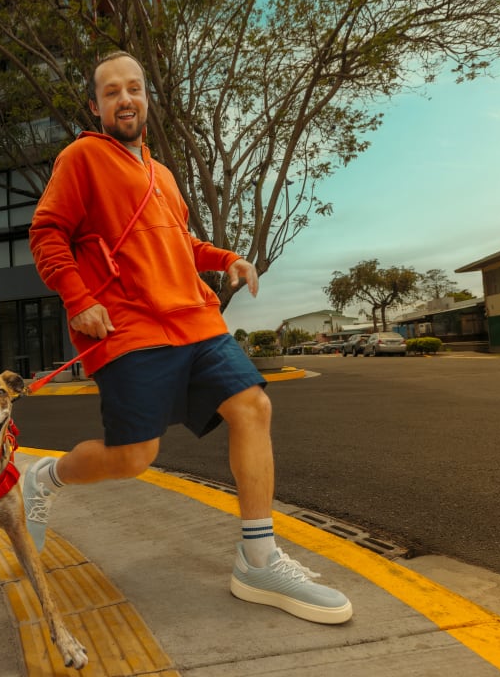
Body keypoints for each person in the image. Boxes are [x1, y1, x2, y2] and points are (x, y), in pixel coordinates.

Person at [24, 51, 352, 625]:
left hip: (194, 318)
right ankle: (44, 478)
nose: (125, 99)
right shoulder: (82, 158)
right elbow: (47, 233)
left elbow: (181, 243)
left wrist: (226, 258)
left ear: (146, 97)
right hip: (129, 324)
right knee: (134, 458)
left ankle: (258, 558)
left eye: (134, 88)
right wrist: (81, 301)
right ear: (97, 106)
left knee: (253, 404)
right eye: (111, 92)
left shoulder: (163, 174)